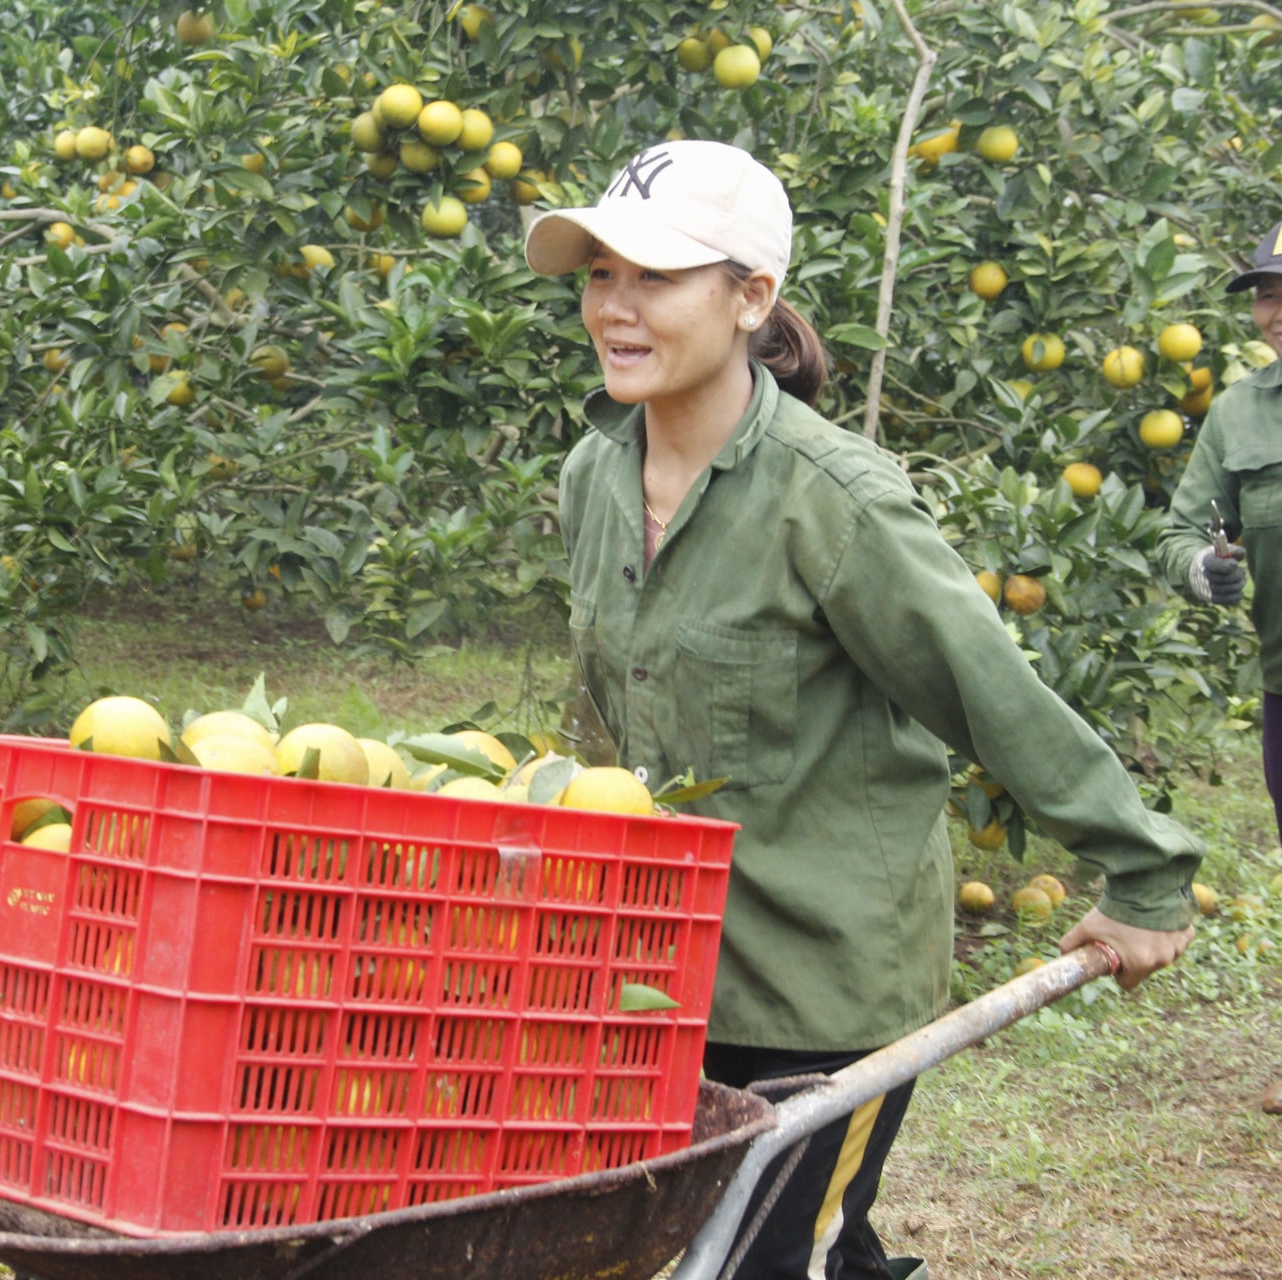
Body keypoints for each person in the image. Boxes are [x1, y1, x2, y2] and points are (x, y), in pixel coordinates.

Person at [526, 139, 1200, 1279]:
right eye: (599, 273)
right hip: (660, 962)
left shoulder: (832, 500)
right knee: (708, 1244)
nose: (617, 307)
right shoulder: (593, 476)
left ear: (752, 299)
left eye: (656, 276)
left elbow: (987, 690)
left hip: (817, 983)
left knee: (773, 1255)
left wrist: (1140, 872)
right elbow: (610, 724)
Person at [1154, 216, 1282, 1119]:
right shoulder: (1241, 413)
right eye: (1268, 294)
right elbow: (1175, 528)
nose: (1275, 311)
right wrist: (1200, 567)